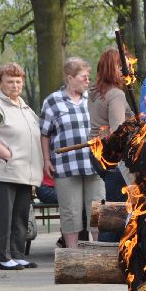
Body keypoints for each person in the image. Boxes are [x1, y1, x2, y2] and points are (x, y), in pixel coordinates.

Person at [0, 62, 42, 269]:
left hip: (24, 172)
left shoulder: (25, 107)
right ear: (0, 82)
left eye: (18, 81)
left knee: (21, 215)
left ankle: (17, 254)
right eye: (10, 81)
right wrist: (6, 154)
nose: (15, 85)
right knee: (3, 216)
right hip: (3, 172)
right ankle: (4, 258)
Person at [40, 57, 103, 250]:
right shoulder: (52, 101)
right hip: (66, 166)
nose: (88, 81)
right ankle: (72, 256)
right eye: (83, 77)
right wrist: (46, 160)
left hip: (94, 165)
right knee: (70, 212)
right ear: (70, 78)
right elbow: (44, 134)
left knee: (97, 210)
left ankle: (100, 253)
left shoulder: (93, 97)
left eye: (88, 77)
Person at [88, 48, 134, 243]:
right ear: (114, 68)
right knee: (116, 209)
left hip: (96, 152)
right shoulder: (115, 94)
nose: (128, 69)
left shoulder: (95, 91)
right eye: (123, 66)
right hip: (112, 156)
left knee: (111, 203)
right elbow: (118, 131)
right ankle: (107, 252)